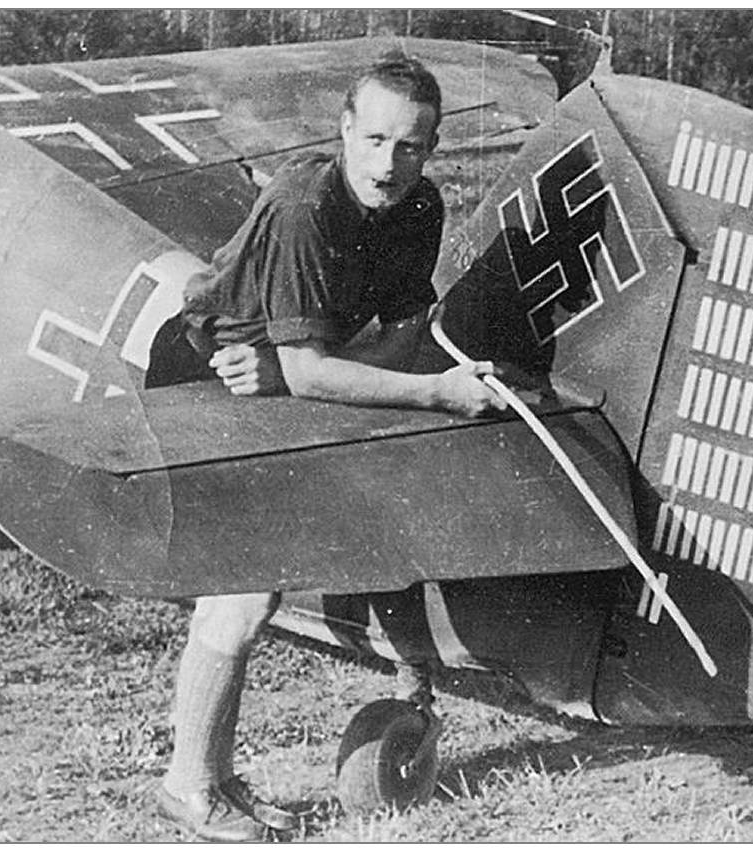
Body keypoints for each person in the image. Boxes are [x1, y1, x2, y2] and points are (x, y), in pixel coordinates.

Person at [147, 52, 506, 841]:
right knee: (240, 595)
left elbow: (402, 333)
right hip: (207, 375)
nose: (388, 164)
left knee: (260, 585)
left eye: (410, 146)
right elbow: (317, 373)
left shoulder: (419, 207)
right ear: (344, 130)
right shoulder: (305, 206)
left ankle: (217, 780)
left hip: (274, 375)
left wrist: (295, 373)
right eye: (373, 139)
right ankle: (187, 788)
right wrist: (434, 392)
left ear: (433, 147)